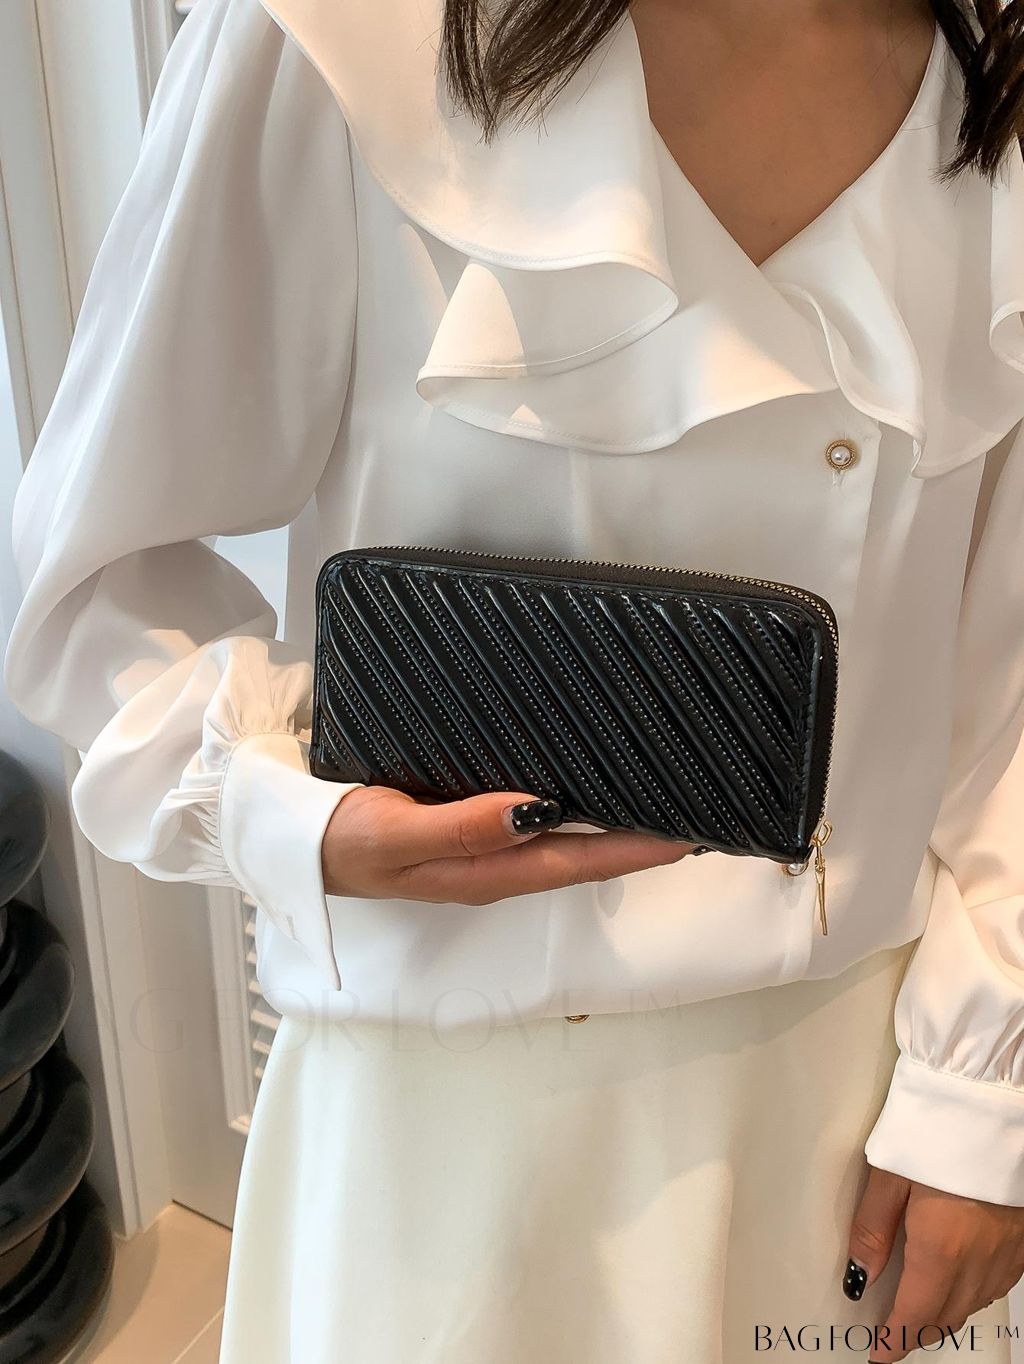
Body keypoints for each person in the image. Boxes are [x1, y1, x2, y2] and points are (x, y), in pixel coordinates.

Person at [5, 0, 1024, 1358]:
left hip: (856, 1091)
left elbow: (1009, 682)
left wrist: (987, 1098)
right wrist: (284, 810)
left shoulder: (993, 79)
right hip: (447, 1109)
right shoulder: (339, 39)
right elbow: (93, 576)